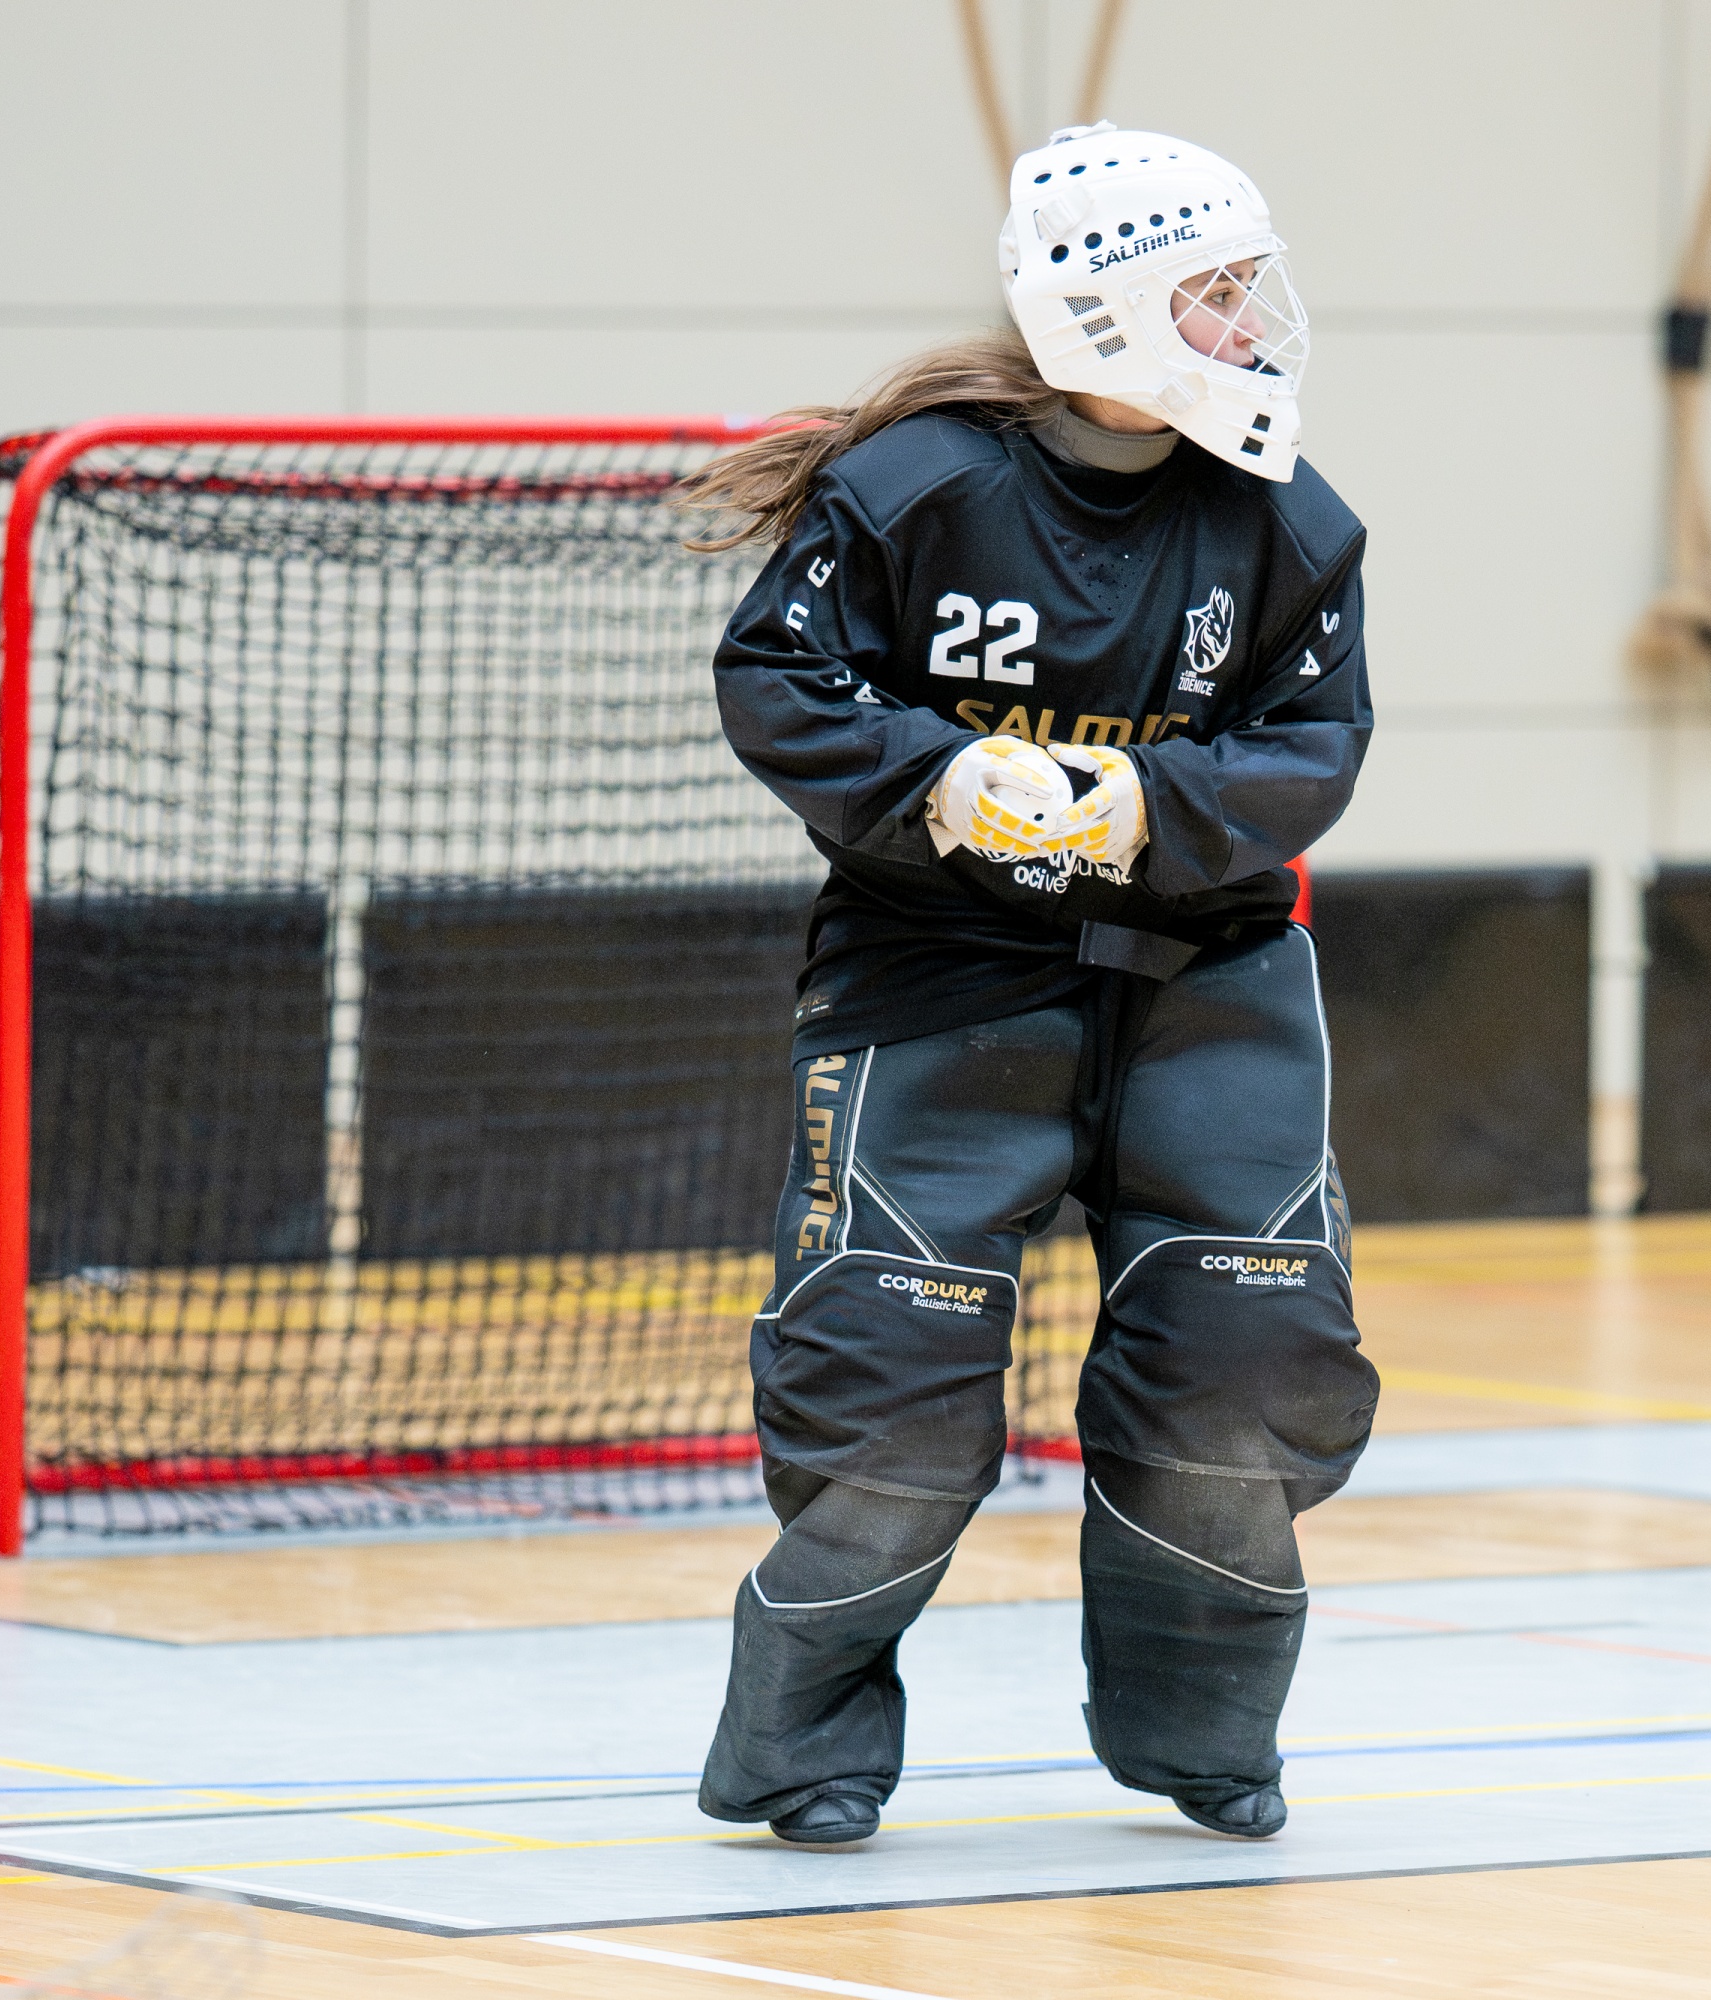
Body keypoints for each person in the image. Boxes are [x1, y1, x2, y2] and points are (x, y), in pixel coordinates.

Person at [680, 123, 1375, 1850]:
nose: (1248, 324)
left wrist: (1149, 807)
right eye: (1212, 292)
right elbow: (778, 678)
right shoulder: (915, 489)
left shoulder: (1293, 521)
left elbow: (1317, 744)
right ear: (1110, 307)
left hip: (1210, 985)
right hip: (940, 982)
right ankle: (803, 1754)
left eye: (1250, 289)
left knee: (1251, 1357)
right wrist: (940, 777)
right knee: (886, 1389)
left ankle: (1204, 1735)